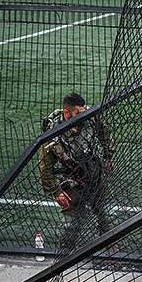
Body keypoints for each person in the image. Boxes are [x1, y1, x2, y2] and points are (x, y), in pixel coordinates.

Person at [39, 92, 116, 250]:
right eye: (78, 113)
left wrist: (108, 155)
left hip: (96, 176)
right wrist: (56, 191)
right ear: (67, 113)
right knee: (70, 226)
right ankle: (65, 255)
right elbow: (45, 165)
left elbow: (104, 133)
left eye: (84, 110)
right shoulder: (54, 132)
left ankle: (111, 255)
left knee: (108, 216)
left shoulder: (91, 117)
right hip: (73, 181)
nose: (83, 115)